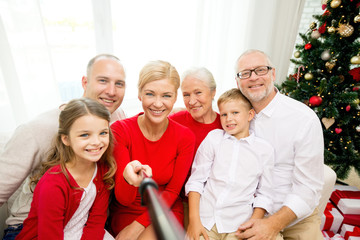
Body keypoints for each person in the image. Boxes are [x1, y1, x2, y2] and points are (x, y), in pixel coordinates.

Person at [0, 54, 127, 240]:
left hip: (85, 221)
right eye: (103, 81)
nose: (111, 91)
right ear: (85, 82)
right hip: (32, 228)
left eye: (119, 84)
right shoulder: (36, 130)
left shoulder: (117, 117)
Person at [234, 49, 324, 240]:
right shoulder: (233, 116)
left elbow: (308, 188)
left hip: (294, 217)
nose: (253, 78)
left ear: (273, 74)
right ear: (237, 82)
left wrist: (272, 224)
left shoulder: (303, 119)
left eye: (260, 70)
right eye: (245, 73)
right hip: (245, 213)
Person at [108, 60, 196, 240]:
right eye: (150, 94)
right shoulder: (120, 130)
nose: (158, 104)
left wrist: (136, 227)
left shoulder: (185, 137)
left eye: (166, 96)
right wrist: (130, 179)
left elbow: (172, 191)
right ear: (139, 94)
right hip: (127, 210)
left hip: (166, 207)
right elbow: (123, 199)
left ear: (175, 97)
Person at [185, 88, 274, 240]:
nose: (228, 119)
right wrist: (194, 222)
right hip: (206, 220)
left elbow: (265, 193)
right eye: (224, 114)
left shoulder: (264, 150)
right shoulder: (214, 139)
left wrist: (253, 222)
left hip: (238, 224)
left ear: (250, 115)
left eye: (235, 113)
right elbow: (196, 182)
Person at [169, 67, 222, 228]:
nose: (191, 101)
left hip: (216, 204)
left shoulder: (226, 125)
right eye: (186, 95)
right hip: (182, 201)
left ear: (213, 92)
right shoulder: (175, 121)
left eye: (198, 93)